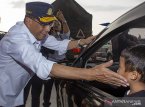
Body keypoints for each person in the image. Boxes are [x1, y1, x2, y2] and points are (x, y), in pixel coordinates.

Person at [0, 2, 128, 106]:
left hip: (13, 93)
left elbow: (59, 44)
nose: (48, 29)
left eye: (50, 23)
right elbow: (44, 66)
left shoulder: (35, 32)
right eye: (43, 24)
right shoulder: (16, 39)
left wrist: (83, 41)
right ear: (28, 21)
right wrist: (92, 74)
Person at [31, 10, 71, 107]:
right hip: (44, 65)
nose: (57, 25)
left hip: (59, 65)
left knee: (53, 91)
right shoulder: (46, 36)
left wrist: (63, 20)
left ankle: (46, 105)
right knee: (36, 91)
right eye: (55, 23)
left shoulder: (62, 37)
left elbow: (67, 32)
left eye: (59, 24)